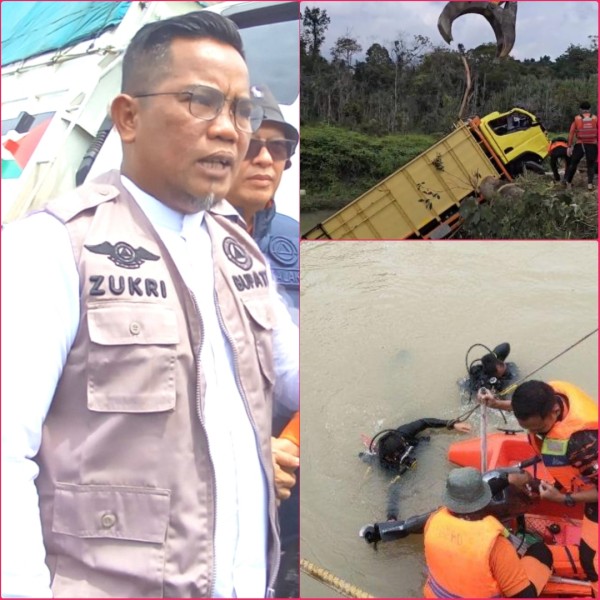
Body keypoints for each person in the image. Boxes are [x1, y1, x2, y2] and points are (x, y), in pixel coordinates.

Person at [1, 11, 299, 599]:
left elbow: (295, 377)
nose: (229, 131)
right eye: (200, 101)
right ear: (128, 117)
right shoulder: (54, 247)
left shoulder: (238, 252)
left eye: (241, 110)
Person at [479, 380, 598, 594]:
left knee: (590, 559)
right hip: (578, 477)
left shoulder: (583, 443)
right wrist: (495, 403)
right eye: (528, 429)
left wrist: (564, 499)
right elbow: (524, 409)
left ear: (553, 410)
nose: (535, 433)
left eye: (539, 429)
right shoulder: (546, 395)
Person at [226, 84, 299, 324]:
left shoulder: (295, 237)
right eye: (249, 144)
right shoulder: (181, 238)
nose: (265, 159)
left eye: (278, 147)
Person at [423, 467, 553, 598]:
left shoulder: (433, 521)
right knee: (541, 550)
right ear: (484, 499)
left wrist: (506, 479)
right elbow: (525, 597)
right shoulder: (496, 546)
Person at [360, 417, 471, 520]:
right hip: (391, 463)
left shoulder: (403, 433)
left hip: (414, 446)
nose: (404, 454)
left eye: (403, 450)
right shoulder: (385, 464)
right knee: (371, 460)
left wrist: (450, 424)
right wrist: (391, 517)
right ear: (389, 458)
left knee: (425, 442)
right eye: (399, 454)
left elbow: (424, 422)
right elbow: (393, 493)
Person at [564, 101, 598, 191]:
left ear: (580, 110)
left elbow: (571, 133)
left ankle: (569, 183)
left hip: (580, 144)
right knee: (591, 165)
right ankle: (590, 184)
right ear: (590, 109)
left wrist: (569, 146)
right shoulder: (595, 118)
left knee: (573, 164)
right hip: (592, 144)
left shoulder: (577, 119)